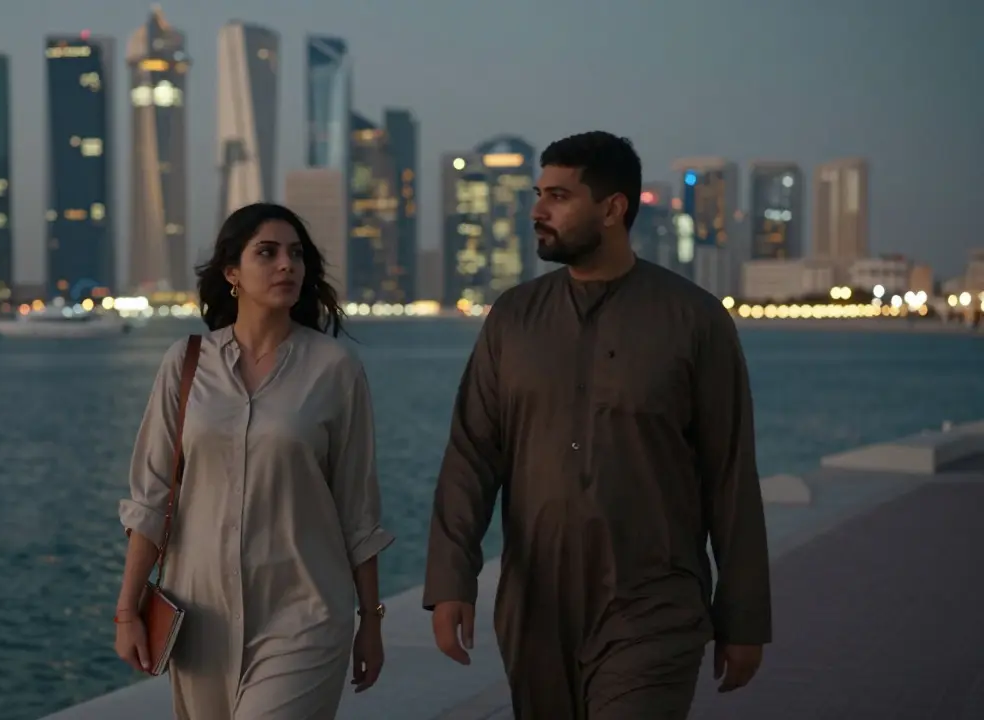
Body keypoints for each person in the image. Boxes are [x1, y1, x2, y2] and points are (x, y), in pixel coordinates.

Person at [422, 131, 772, 719]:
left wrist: (744, 616)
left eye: (558, 196)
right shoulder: (513, 318)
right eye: (538, 194)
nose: (537, 210)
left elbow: (730, 474)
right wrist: (450, 580)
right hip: (536, 608)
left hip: (653, 603)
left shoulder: (694, 320)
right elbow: (471, 457)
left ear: (613, 209)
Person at [114, 202, 395, 719]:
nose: (287, 264)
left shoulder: (335, 368)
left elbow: (358, 510)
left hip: (305, 612)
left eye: (296, 254)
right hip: (200, 617)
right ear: (232, 273)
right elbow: (151, 500)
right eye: (267, 253)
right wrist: (127, 611)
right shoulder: (185, 363)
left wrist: (371, 621)